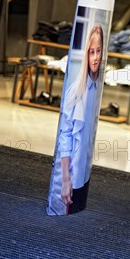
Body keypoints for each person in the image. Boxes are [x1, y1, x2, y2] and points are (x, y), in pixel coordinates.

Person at [47, 25, 104, 215]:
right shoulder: (77, 91)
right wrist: (65, 180)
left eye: (98, 51)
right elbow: (65, 136)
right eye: (91, 52)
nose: (95, 57)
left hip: (84, 176)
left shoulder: (96, 88)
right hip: (71, 178)